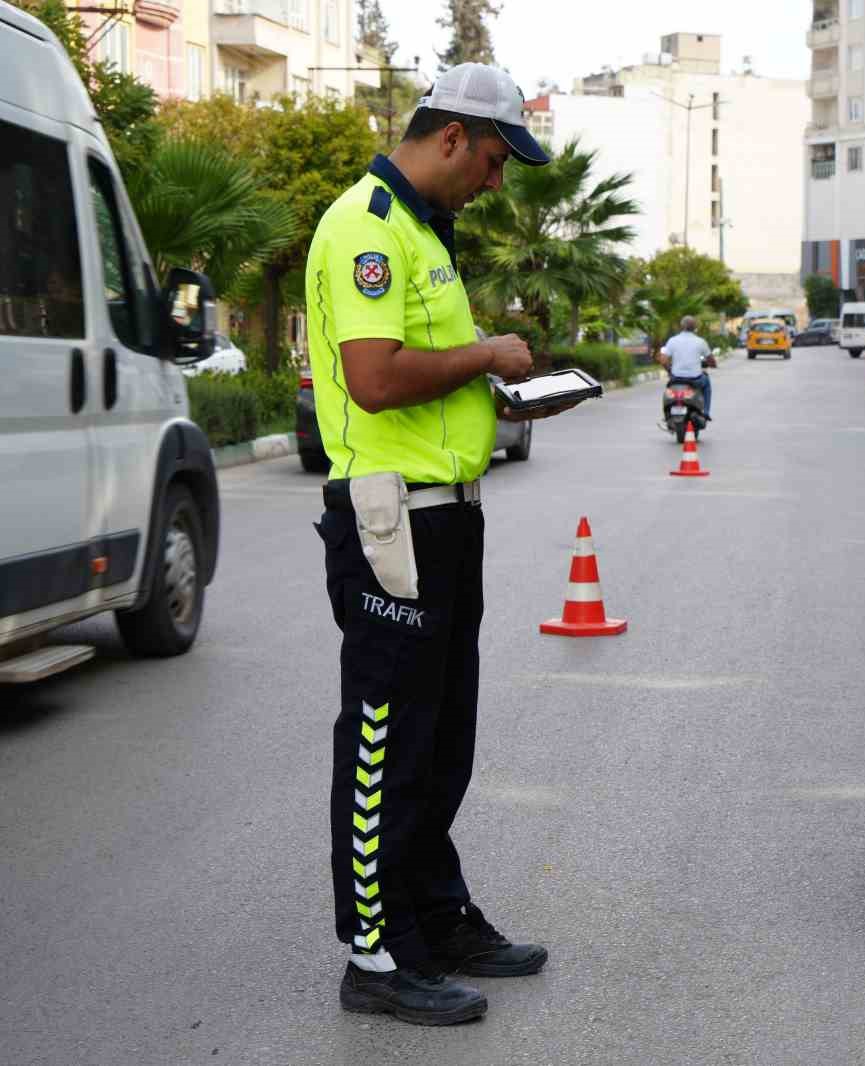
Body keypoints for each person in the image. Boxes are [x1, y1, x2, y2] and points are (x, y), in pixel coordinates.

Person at [305, 63, 565, 1026]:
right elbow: (372, 378)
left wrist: (488, 380)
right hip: (391, 517)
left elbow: (425, 367)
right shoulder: (367, 225)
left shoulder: (424, 233)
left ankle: (433, 913)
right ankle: (374, 952)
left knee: (442, 731)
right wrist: (488, 356)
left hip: (445, 513)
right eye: (495, 161)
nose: (496, 183)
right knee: (386, 735)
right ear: (452, 136)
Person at [660, 315, 713, 418]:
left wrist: (669, 370)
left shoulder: (672, 340)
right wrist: (712, 364)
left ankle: (667, 415)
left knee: (668, 390)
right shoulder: (700, 341)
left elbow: (663, 360)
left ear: (682, 326)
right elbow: (711, 360)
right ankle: (706, 412)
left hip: (676, 378)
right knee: (706, 383)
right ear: (695, 327)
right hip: (695, 380)